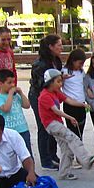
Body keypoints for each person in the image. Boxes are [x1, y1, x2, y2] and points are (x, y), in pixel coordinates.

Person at [37, 68, 94, 180]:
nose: (61, 84)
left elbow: (69, 100)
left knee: (67, 150)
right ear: (50, 82)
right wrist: (70, 117)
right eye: (58, 81)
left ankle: (64, 173)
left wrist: (82, 104)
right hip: (51, 124)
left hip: (57, 123)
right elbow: (56, 111)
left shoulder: (56, 92)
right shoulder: (45, 96)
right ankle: (86, 159)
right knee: (72, 137)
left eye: (61, 81)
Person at [29, 34, 63, 170]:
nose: (61, 48)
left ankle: (52, 155)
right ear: (50, 47)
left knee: (54, 125)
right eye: (59, 45)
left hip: (52, 96)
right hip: (39, 98)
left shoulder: (56, 61)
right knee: (44, 127)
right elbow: (39, 85)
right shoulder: (40, 64)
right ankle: (45, 160)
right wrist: (54, 82)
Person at [0, 68, 32, 155]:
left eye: (13, 82)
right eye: (9, 83)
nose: (12, 85)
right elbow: (6, 109)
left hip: (23, 129)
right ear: (1, 83)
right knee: (11, 154)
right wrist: (10, 94)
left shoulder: (16, 96)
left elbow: (27, 105)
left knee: (27, 152)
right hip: (9, 132)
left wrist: (21, 93)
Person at [61, 49, 88, 140]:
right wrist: (62, 78)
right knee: (72, 131)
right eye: (80, 63)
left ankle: (79, 146)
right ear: (73, 61)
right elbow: (59, 85)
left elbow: (84, 85)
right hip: (70, 105)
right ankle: (74, 147)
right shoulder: (64, 71)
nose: (81, 65)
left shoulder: (81, 72)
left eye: (82, 64)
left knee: (80, 130)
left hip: (81, 104)